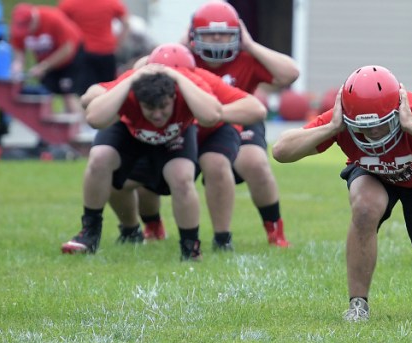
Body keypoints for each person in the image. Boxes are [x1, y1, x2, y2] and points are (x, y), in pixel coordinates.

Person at [272, 65, 412, 321]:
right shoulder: (340, 118)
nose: (373, 133)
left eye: (381, 124)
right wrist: (332, 128)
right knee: (364, 207)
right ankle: (358, 303)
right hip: (373, 175)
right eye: (365, 126)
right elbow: (281, 151)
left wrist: (411, 126)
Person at [127, 0, 298, 247]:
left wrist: (250, 44)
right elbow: (141, 70)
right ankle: (152, 225)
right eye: (210, 34)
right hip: (185, 122)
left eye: (225, 34)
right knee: (150, 168)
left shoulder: (246, 56)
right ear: (194, 35)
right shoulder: (183, 57)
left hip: (234, 117)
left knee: (254, 163)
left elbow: (290, 73)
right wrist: (179, 44)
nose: (217, 40)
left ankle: (273, 230)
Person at [81, 43, 267, 248]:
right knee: (115, 175)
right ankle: (125, 229)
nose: (158, 110)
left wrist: (196, 99)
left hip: (184, 135)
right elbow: (90, 101)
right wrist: (131, 78)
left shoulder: (196, 80)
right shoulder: (138, 81)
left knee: (196, 169)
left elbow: (220, 114)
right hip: (140, 135)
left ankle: (213, 240)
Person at [60, 62, 222, 261]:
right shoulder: (132, 83)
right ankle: (90, 232)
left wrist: (178, 77)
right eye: (149, 108)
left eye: (163, 106)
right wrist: (130, 80)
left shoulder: (188, 82)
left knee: (182, 177)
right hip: (130, 130)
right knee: (100, 157)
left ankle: (190, 246)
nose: (157, 114)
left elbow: (213, 116)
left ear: (174, 95)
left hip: (176, 134)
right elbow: (94, 118)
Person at [9, 3, 90, 115]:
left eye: (28, 27)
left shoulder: (53, 19)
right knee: (46, 94)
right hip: (47, 60)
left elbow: (67, 49)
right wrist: (17, 67)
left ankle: (82, 127)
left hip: (71, 56)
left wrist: (44, 66)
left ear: (34, 20)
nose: (26, 31)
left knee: (68, 94)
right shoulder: (18, 27)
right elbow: (19, 52)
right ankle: (51, 129)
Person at [58, 0, 129, 85]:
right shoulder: (111, 2)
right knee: (107, 88)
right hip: (106, 51)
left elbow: (60, 24)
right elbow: (126, 23)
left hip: (82, 52)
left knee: (83, 90)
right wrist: (118, 44)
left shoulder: (69, 3)